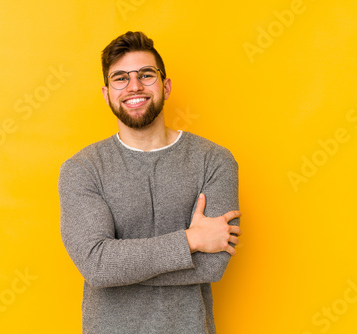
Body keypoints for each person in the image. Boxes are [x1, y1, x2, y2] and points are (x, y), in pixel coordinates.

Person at [59, 31, 242, 334]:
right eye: (120, 78)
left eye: (146, 75)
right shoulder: (82, 169)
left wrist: (118, 263)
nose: (134, 86)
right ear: (106, 93)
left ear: (165, 86)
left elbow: (213, 266)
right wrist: (191, 241)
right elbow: (97, 266)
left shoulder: (215, 161)